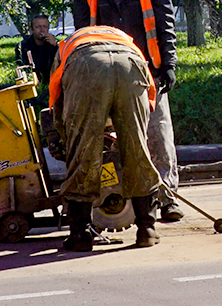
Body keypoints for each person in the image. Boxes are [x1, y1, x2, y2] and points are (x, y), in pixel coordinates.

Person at [70, 0, 183, 222]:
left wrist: (169, 64)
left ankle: (167, 198)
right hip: (104, 77)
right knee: (117, 140)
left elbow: (165, 23)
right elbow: (82, 34)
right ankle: (124, 200)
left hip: (149, 72)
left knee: (158, 135)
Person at [49, 25, 161, 251]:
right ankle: (147, 230)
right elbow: (149, 97)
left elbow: (57, 96)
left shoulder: (66, 46)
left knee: (83, 152)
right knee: (137, 150)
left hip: (86, 65)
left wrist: (66, 138)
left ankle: (80, 234)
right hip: (131, 65)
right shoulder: (126, 38)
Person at [17, 12, 59, 84]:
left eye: (44, 27)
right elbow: (23, 67)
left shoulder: (54, 43)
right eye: (38, 27)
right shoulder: (23, 46)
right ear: (32, 29)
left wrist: (56, 45)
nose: (42, 30)